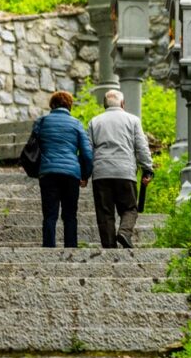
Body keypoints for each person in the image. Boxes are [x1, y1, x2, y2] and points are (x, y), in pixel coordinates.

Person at [87, 89, 153, 249]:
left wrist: (85, 173)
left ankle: (109, 248)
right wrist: (147, 168)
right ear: (123, 104)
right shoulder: (133, 120)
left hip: (101, 174)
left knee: (105, 213)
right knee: (130, 208)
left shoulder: (94, 122)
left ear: (104, 105)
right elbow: (141, 147)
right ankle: (124, 231)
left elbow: (88, 150)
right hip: (125, 172)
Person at [34, 90, 93, 248]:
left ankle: (48, 248)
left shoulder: (42, 121)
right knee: (70, 215)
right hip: (71, 174)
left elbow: (32, 147)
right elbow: (87, 153)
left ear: (52, 105)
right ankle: (71, 248)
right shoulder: (76, 124)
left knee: (49, 215)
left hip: (48, 172)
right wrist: (85, 174)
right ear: (69, 105)